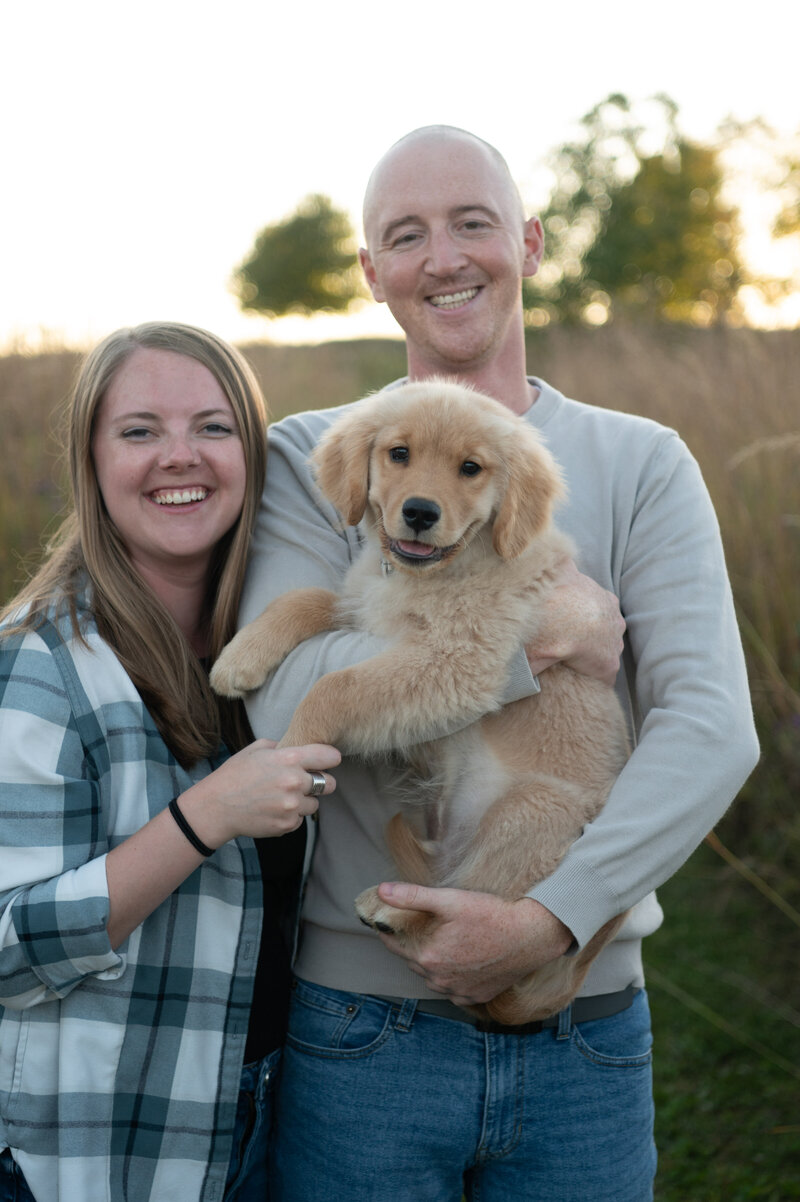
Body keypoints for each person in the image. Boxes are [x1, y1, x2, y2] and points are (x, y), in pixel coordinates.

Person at [240, 127, 760, 1201]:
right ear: (371, 271)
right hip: (361, 1028)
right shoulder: (306, 454)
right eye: (405, 234)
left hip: (585, 1024)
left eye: (472, 222)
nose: (443, 256)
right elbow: (281, 702)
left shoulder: (642, 461)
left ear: (524, 241)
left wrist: (550, 917)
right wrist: (530, 639)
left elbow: (709, 724)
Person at [0, 321, 341, 1202]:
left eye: (213, 428)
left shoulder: (274, 652)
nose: (178, 457)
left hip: (275, 1118)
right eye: (140, 430)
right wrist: (202, 820)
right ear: (93, 459)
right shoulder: (39, 667)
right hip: (107, 1150)